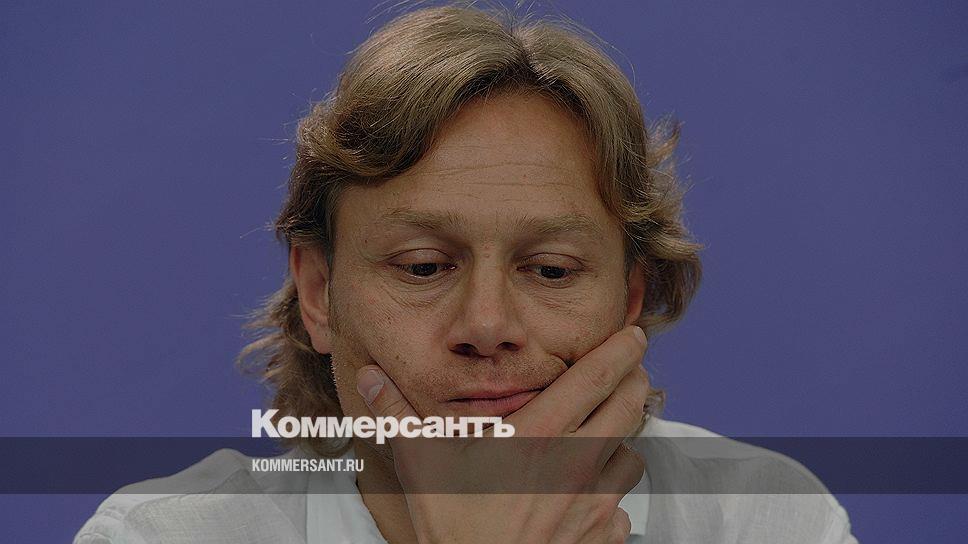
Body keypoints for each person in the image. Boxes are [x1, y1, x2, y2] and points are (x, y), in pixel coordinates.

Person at [75, 4, 857, 543]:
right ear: (318, 294)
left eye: (550, 269)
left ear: (630, 297)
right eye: (423, 266)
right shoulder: (163, 535)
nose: (487, 326)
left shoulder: (766, 520)